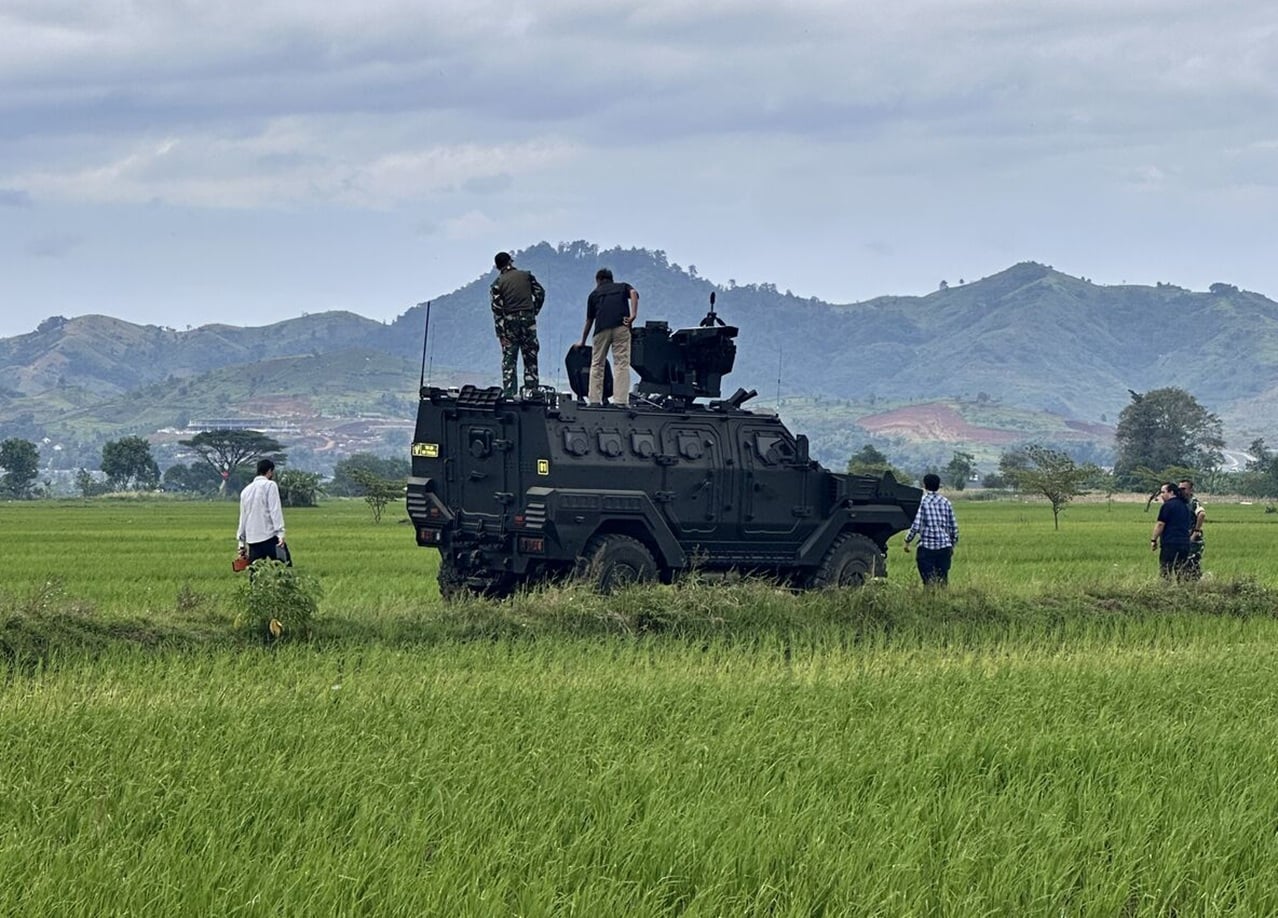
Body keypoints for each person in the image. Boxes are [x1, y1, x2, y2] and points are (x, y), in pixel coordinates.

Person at [490, 251, 546, 398]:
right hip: (528, 321)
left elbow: (497, 310)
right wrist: (534, 311)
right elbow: (540, 293)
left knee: (509, 359)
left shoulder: (497, 283)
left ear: (497, 267)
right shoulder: (526, 276)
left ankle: (510, 394)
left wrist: (501, 334)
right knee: (530, 356)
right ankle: (532, 392)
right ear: (511, 261)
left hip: (510, 323)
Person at [580, 268, 639, 407]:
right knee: (621, 363)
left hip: (601, 330)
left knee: (597, 364)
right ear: (611, 279)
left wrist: (582, 341)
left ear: (598, 280)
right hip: (621, 327)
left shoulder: (594, 294)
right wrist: (633, 315)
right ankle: (620, 401)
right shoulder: (622, 286)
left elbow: (589, 320)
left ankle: (594, 400)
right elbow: (633, 293)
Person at [902, 473, 959, 585]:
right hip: (944, 547)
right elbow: (954, 528)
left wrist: (907, 541)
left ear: (924, 485)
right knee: (942, 580)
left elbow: (916, 525)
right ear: (938, 486)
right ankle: (942, 596)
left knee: (928, 581)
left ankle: (929, 596)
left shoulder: (922, 502)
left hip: (927, 548)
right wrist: (952, 545)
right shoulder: (946, 502)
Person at [237, 458, 288, 566]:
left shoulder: (245, 491)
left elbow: (243, 518)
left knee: (255, 572)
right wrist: (280, 533)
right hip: (270, 537)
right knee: (284, 567)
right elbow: (275, 511)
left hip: (253, 540)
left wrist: (241, 543)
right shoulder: (270, 485)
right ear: (269, 471)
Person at [1151, 481, 1194, 580]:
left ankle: (1166, 587)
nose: (1161, 495)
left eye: (1163, 492)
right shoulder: (1185, 506)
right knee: (1181, 571)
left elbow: (1160, 524)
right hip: (1184, 543)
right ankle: (1182, 587)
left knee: (1166, 570)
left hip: (1170, 543)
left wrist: (1154, 539)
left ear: (1171, 492)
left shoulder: (1167, 506)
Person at [1178, 477, 1206, 579]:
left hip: (1193, 539)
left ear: (1190, 490)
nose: (1181, 491)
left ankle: (1195, 582)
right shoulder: (1182, 502)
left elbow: (1201, 514)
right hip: (1184, 537)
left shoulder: (1193, 502)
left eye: (1183, 489)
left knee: (1192, 562)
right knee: (1182, 563)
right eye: (1179, 489)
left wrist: (1196, 531)